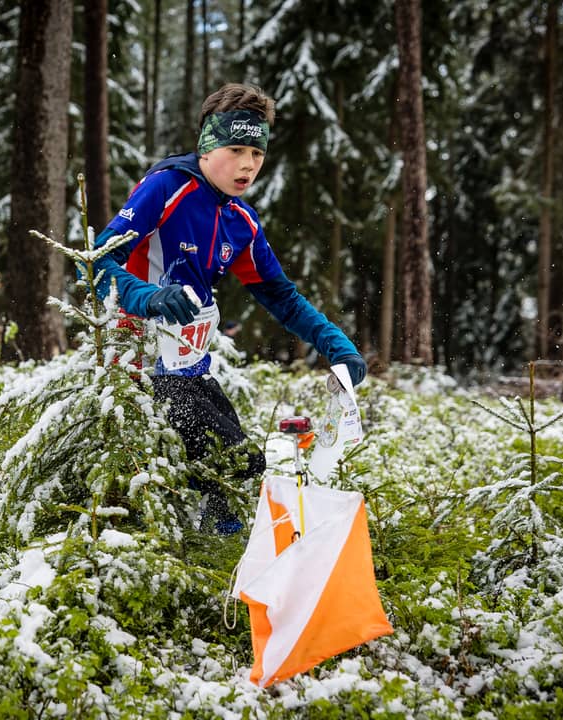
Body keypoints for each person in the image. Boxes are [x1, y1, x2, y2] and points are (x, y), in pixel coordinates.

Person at [87, 83, 366, 535]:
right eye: (235, 150)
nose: (247, 164)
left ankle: (217, 556)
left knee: (238, 471)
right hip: (138, 370)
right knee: (234, 461)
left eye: (256, 153)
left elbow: (282, 297)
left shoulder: (241, 222)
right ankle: (203, 551)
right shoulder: (167, 187)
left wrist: (337, 346)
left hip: (189, 369)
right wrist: (148, 298)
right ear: (207, 146)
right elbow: (97, 263)